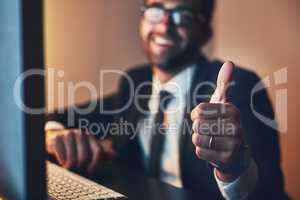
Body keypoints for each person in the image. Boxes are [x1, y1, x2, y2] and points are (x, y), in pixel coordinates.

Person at [45, 0, 288, 199]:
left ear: (205, 33)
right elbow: (57, 117)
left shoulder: (239, 86)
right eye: (155, 9)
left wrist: (234, 167)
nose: (164, 25)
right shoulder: (135, 81)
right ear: (142, 20)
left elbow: (270, 192)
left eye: (183, 14)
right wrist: (54, 135)